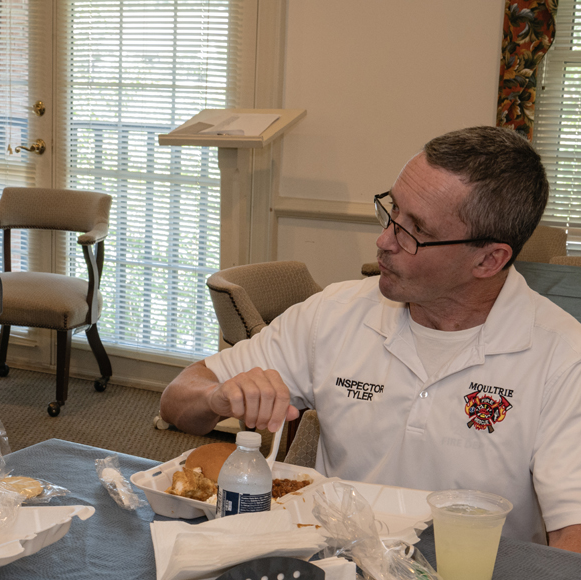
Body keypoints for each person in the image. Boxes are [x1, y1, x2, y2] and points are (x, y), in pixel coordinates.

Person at [160, 125, 581, 552]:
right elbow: (178, 399)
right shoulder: (335, 313)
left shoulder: (564, 358)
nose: (383, 241)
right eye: (392, 211)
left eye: (414, 231)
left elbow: (572, 539)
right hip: (336, 567)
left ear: (490, 259)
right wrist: (217, 398)